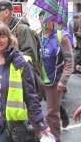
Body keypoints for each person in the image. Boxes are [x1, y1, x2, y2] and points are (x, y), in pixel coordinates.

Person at [38, 12, 73, 142]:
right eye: (42, 18)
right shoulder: (37, 35)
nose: (44, 21)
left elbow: (69, 62)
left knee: (51, 114)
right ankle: (61, 113)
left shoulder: (61, 37)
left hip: (54, 82)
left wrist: (63, 81)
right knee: (37, 109)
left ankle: (56, 138)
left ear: (53, 20)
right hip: (39, 81)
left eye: (47, 18)